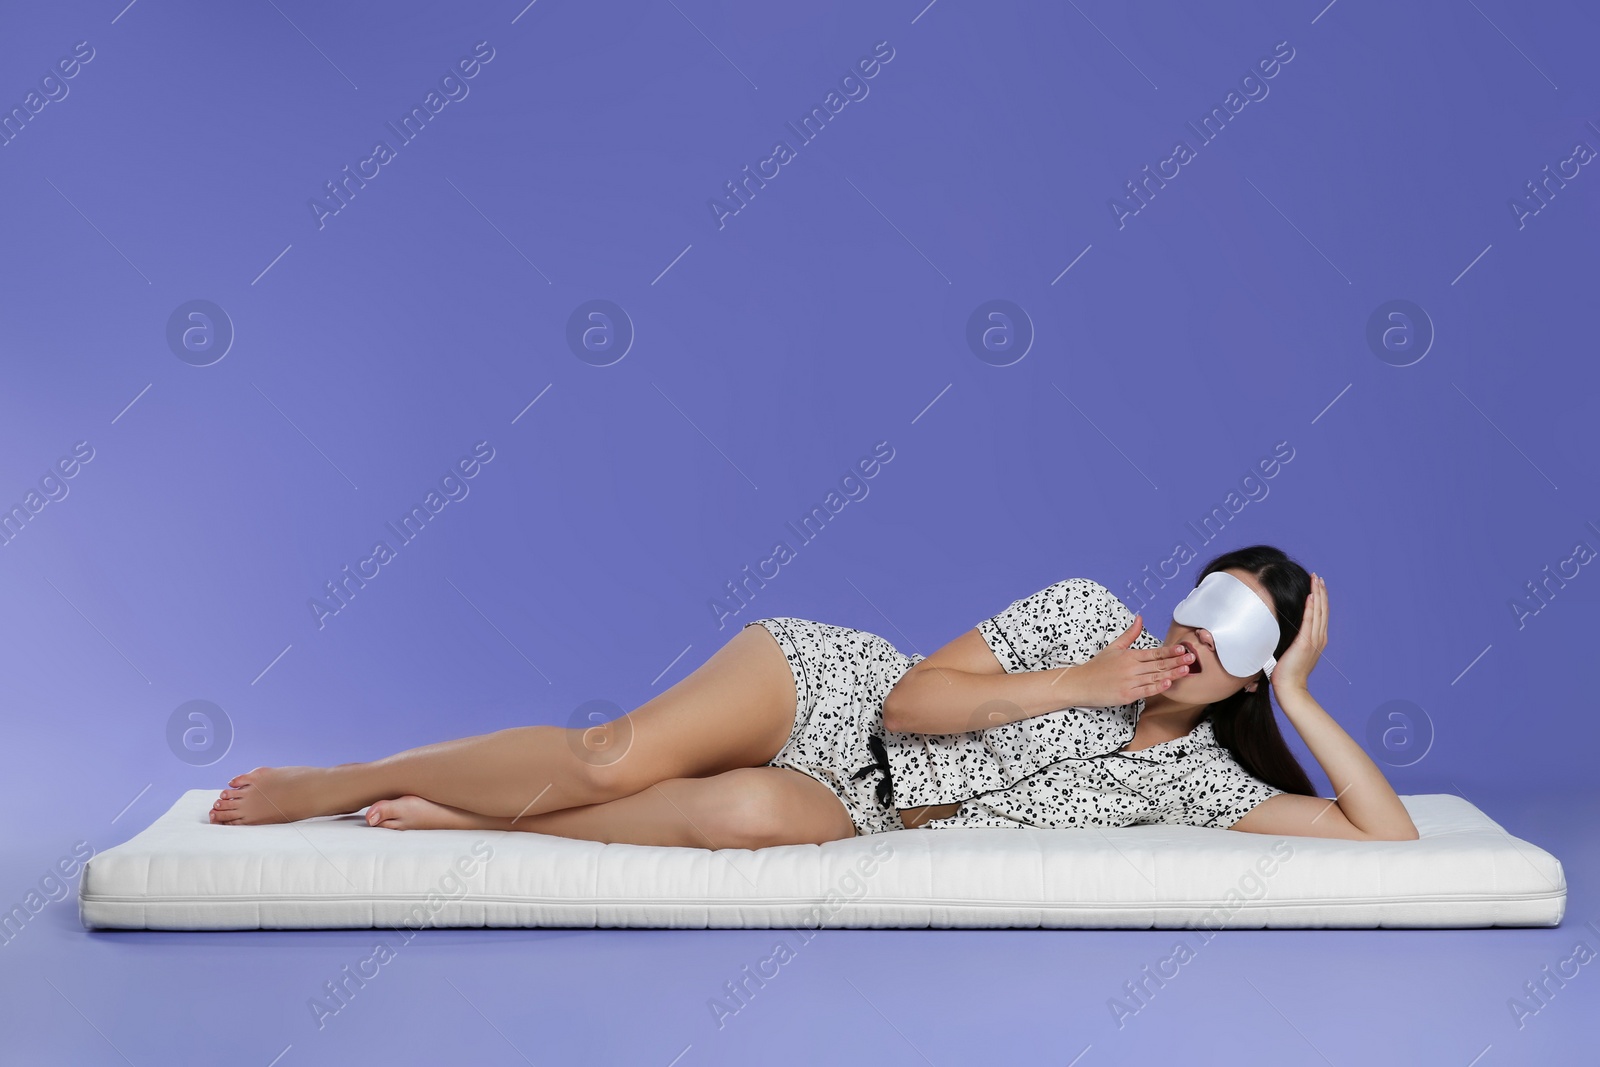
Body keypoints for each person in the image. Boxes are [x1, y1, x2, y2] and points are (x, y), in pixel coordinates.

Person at [209, 544, 1417, 844]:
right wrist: (1080, 682)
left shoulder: (1201, 782)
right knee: (607, 757)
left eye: (1244, 633)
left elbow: (1387, 834)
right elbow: (907, 701)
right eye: (1205, 603)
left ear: (1255, 665)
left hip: (868, 807)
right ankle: (350, 775)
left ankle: (470, 814)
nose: (1200, 636)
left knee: (729, 823)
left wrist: (1303, 694)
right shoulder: (1085, 612)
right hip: (834, 691)